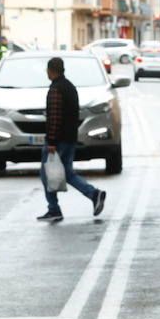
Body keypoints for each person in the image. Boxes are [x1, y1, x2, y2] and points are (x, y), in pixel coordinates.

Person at [38, 56, 106, 222]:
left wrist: (52, 141)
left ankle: (55, 208)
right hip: (69, 138)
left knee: (47, 173)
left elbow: (54, 117)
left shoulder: (55, 89)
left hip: (58, 140)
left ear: (50, 71)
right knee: (66, 172)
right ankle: (91, 195)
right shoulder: (69, 87)